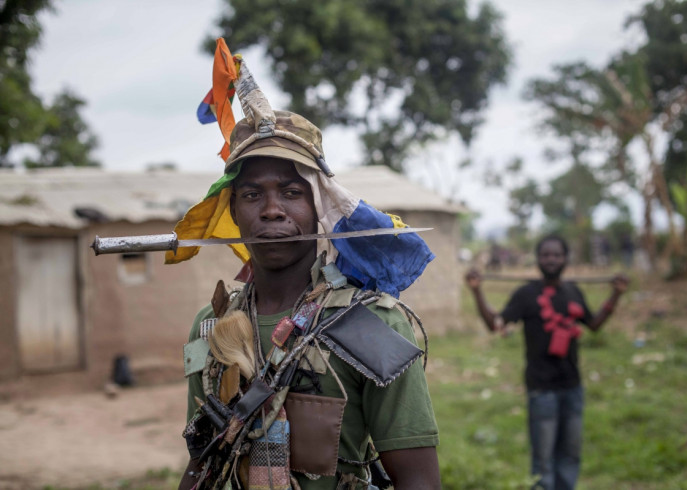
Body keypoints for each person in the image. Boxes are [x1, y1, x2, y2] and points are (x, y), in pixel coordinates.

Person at [173, 40, 440, 490]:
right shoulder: (211, 328)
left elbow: (419, 481)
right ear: (232, 212)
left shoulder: (369, 323)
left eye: (293, 192)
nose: (273, 209)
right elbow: (202, 462)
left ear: (320, 205)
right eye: (252, 194)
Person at [465, 235, 628, 490]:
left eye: (556, 255)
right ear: (538, 259)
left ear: (565, 259)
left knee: (570, 456)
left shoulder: (573, 291)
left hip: (573, 386)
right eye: (546, 255)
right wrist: (477, 291)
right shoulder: (526, 294)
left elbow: (594, 325)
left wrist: (616, 295)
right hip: (541, 389)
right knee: (543, 461)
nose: (551, 260)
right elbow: (495, 324)